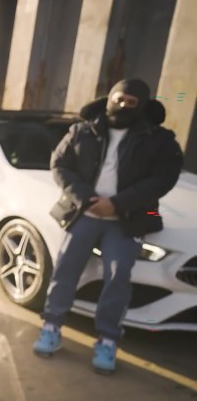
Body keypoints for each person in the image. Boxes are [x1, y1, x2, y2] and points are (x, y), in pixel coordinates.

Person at [35, 78, 183, 373]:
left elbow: (163, 177)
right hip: (83, 214)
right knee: (65, 270)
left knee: (118, 278)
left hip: (126, 220)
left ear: (142, 106)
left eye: (131, 102)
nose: (123, 106)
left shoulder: (158, 139)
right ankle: (51, 327)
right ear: (109, 99)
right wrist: (86, 198)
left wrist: (117, 203)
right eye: (119, 99)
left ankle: (107, 340)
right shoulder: (82, 130)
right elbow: (59, 165)